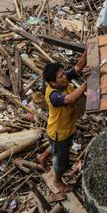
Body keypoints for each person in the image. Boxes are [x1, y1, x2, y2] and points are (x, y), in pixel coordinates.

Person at [37, 53, 87, 192]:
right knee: (62, 161)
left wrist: (88, 50)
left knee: (55, 147)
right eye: (61, 76)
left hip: (62, 129)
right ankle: (58, 180)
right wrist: (88, 82)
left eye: (64, 73)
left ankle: (42, 157)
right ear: (53, 83)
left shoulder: (62, 81)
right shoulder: (53, 95)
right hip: (60, 133)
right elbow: (70, 99)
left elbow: (77, 67)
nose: (65, 77)